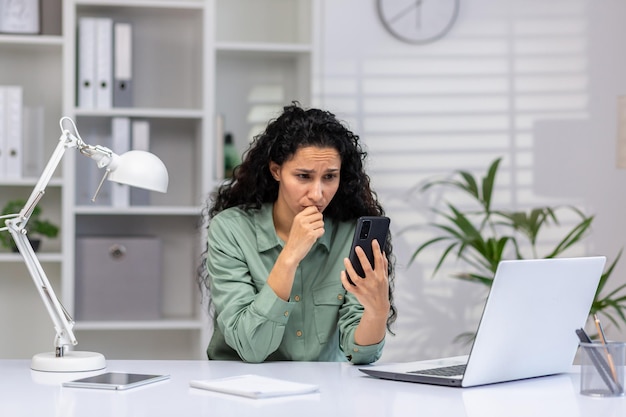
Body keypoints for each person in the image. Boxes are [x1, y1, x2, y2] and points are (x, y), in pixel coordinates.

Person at [199, 102, 396, 364]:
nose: (317, 194)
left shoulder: (349, 233)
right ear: (276, 170)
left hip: (323, 390)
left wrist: (378, 310)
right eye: (304, 176)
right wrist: (290, 255)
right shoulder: (231, 229)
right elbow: (251, 347)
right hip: (241, 385)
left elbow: (360, 354)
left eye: (329, 177)